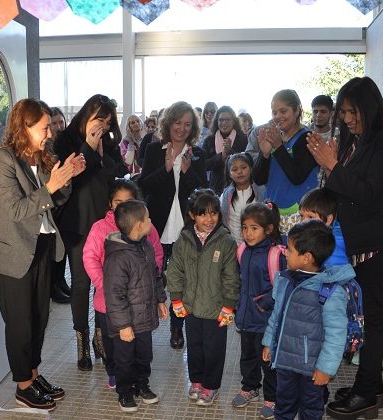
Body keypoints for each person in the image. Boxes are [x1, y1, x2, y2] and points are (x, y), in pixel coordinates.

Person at [305, 77, 383, 419]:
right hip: (359, 243)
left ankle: (366, 393)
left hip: (381, 244)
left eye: (352, 112)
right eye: (343, 112)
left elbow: (367, 193)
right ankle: (373, 385)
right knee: (363, 315)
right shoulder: (355, 139)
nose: (347, 118)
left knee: (371, 320)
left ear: (369, 108)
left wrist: (332, 165)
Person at [0, 98, 85, 410]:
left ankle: (33, 373)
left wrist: (67, 177)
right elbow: (16, 209)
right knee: (20, 323)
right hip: (14, 252)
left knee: (39, 318)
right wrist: (52, 185)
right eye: (44, 127)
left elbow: (55, 201)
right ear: (24, 127)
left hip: (43, 246)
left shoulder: (42, 156)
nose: (50, 133)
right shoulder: (2, 160)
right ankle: (22, 385)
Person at [53, 94, 128, 372]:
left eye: (108, 122)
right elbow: (69, 179)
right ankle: (82, 344)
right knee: (81, 284)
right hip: (77, 224)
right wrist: (88, 147)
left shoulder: (109, 144)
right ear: (86, 115)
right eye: (99, 119)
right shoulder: (66, 141)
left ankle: (100, 337)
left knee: (104, 283)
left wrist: (100, 152)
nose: (104, 126)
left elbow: (117, 174)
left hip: (105, 225)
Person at [262, 221, 356, 420]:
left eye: (289, 249)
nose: (285, 253)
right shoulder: (285, 279)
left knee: (311, 408)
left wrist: (326, 368)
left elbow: (336, 335)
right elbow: (277, 314)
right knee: (283, 403)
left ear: (306, 258)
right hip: (285, 361)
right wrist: (270, 342)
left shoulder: (329, 291)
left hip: (312, 369)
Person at [82, 180, 164, 390]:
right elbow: (90, 257)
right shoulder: (101, 228)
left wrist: (154, 291)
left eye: (129, 202)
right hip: (109, 302)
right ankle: (115, 373)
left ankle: (138, 376)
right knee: (113, 342)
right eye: (118, 202)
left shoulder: (147, 227)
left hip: (140, 301)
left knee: (140, 342)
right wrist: (104, 285)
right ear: (110, 203)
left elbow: (156, 255)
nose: (123, 207)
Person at [138, 101, 207, 349]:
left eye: (187, 124)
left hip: (185, 228)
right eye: (178, 122)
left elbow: (203, 192)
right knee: (151, 276)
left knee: (182, 281)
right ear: (169, 123)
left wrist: (187, 172)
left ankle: (177, 329)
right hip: (157, 224)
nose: (182, 128)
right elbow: (144, 185)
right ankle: (143, 323)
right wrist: (166, 168)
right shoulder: (155, 150)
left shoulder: (196, 153)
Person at [166, 189, 240, 406]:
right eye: (203, 214)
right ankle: (197, 380)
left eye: (214, 213)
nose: (209, 219)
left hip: (216, 308)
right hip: (189, 307)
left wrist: (229, 306)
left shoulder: (225, 241)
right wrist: (176, 299)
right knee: (195, 347)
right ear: (192, 215)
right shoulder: (184, 239)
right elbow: (175, 270)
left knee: (214, 349)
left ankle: (211, 385)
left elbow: (231, 277)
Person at [103, 200, 168, 413]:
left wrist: (160, 299)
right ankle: (125, 391)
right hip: (126, 324)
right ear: (138, 225)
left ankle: (142, 385)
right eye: (148, 218)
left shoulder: (146, 247)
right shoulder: (118, 257)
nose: (151, 221)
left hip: (144, 319)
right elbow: (114, 295)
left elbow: (155, 276)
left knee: (144, 355)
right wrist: (123, 325)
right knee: (124, 359)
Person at [232, 202, 284, 419]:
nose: (248, 233)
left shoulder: (276, 255)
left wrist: (264, 303)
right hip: (245, 318)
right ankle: (250, 386)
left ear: (268, 229)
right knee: (247, 356)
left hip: (266, 320)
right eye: (245, 228)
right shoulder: (243, 250)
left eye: (254, 228)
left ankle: (273, 397)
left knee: (268, 361)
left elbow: (282, 288)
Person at [252, 89, 319, 232]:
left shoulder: (307, 138)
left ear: (297, 111)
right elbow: (258, 179)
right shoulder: (275, 139)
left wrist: (278, 147)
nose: (278, 116)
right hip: (274, 215)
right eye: (274, 112)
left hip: (299, 217)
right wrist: (264, 154)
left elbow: (297, 177)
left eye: (283, 111)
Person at [49, 106, 72, 304]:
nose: (59, 126)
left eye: (61, 121)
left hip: (64, 201)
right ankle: (53, 285)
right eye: (55, 123)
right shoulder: (47, 147)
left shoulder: (66, 144)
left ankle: (60, 280)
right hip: (50, 203)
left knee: (62, 245)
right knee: (53, 247)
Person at [201, 105, 248, 195]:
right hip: (216, 188)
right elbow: (204, 164)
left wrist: (230, 151)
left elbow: (247, 162)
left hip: (238, 187)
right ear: (217, 121)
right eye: (221, 120)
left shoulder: (243, 139)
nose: (224, 123)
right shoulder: (209, 140)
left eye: (228, 120)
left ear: (234, 121)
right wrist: (221, 156)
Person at [219, 153, 264, 244]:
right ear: (230, 174)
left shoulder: (261, 192)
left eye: (243, 168)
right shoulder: (225, 195)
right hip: (232, 245)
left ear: (251, 169)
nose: (239, 172)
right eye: (234, 169)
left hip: (256, 244)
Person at [298, 188, 349, 267]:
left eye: (311, 217)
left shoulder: (332, 248)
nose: (303, 221)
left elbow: (334, 276)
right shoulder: (316, 238)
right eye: (302, 216)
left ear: (329, 219)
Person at [308, 95, 337, 188]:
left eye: (323, 111)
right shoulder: (303, 133)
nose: (318, 115)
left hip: (328, 189)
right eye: (315, 111)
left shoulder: (338, 136)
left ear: (331, 113)